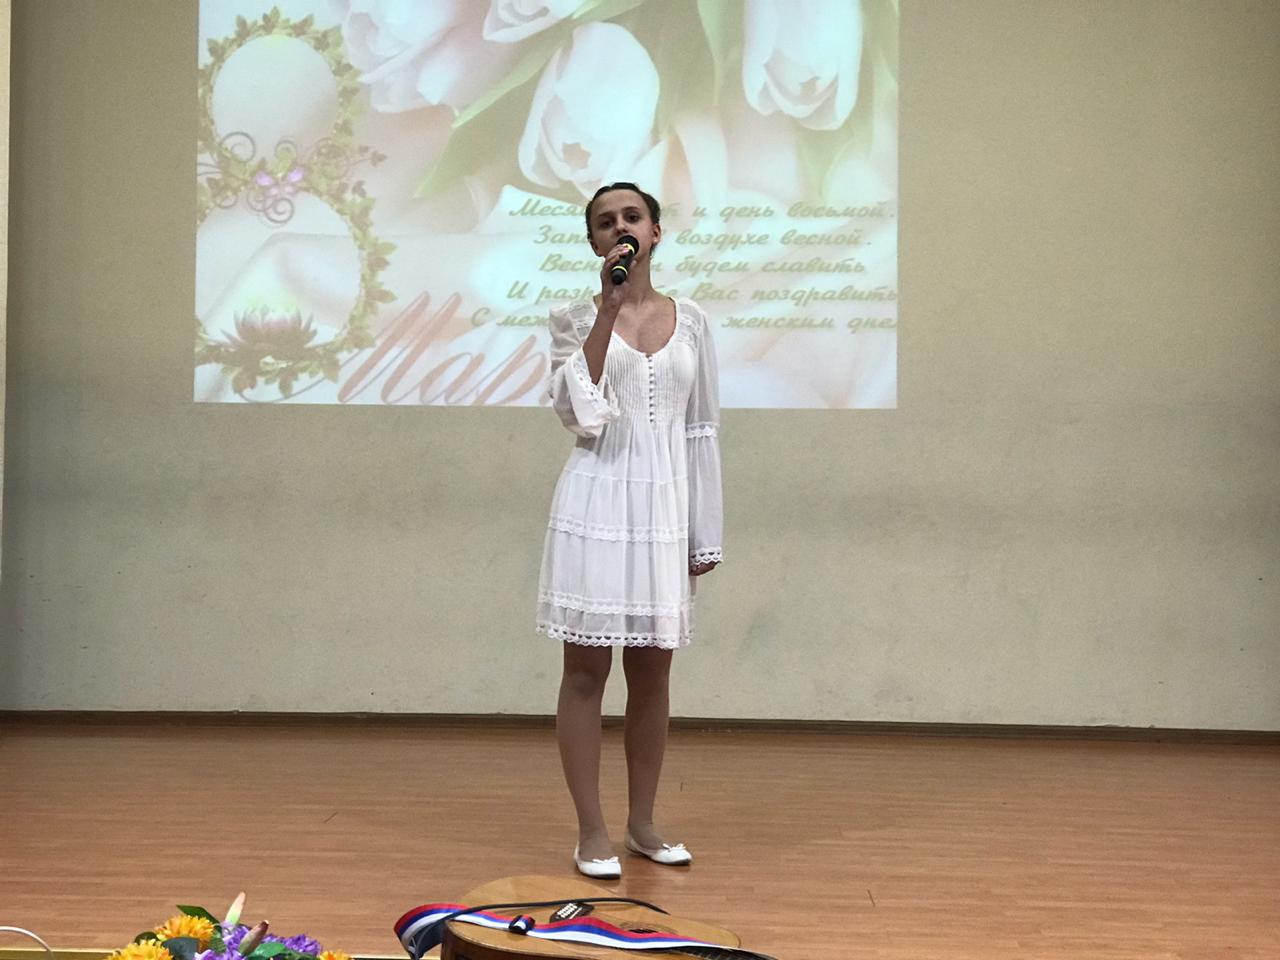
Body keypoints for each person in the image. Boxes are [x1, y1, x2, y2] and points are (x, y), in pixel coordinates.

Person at [535, 182, 723, 879]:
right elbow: (579, 414)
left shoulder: (693, 321)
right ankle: (591, 832)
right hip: (595, 500)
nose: (620, 227)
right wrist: (606, 311)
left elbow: (701, 428)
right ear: (594, 242)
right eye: (605, 221)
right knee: (585, 672)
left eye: (632, 217)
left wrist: (703, 532)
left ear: (655, 232)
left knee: (653, 673)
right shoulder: (573, 318)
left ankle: (643, 823)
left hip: (664, 508)